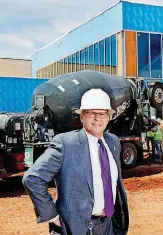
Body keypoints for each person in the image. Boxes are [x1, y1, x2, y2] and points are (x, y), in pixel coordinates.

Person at [23, 89, 129, 235]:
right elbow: (33, 178)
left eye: (102, 114)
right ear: (82, 116)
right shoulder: (66, 144)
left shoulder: (113, 142)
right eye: (92, 113)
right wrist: (52, 216)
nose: (97, 118)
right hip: (77, 228)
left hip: (109, 225)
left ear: (109, 117)